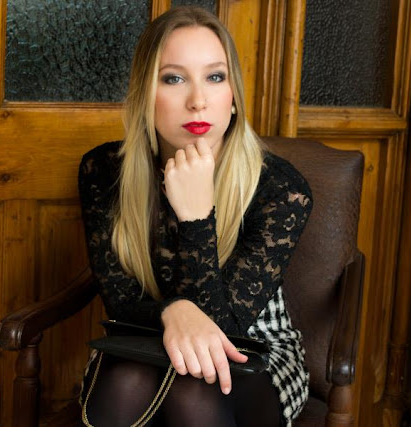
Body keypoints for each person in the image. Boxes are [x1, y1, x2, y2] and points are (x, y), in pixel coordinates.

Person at [78, 6, 311, 427]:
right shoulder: (104, 171)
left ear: (233, 94)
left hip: (252, 346)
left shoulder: (279, 187)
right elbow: (120, 305)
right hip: (143, 340)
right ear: (145, 94)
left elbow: (225, 331)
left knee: (192, 389)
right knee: (128, 380)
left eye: (215, 77)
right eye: (174, 78)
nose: (198, 100)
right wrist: (173, 311)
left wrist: (196, 217)